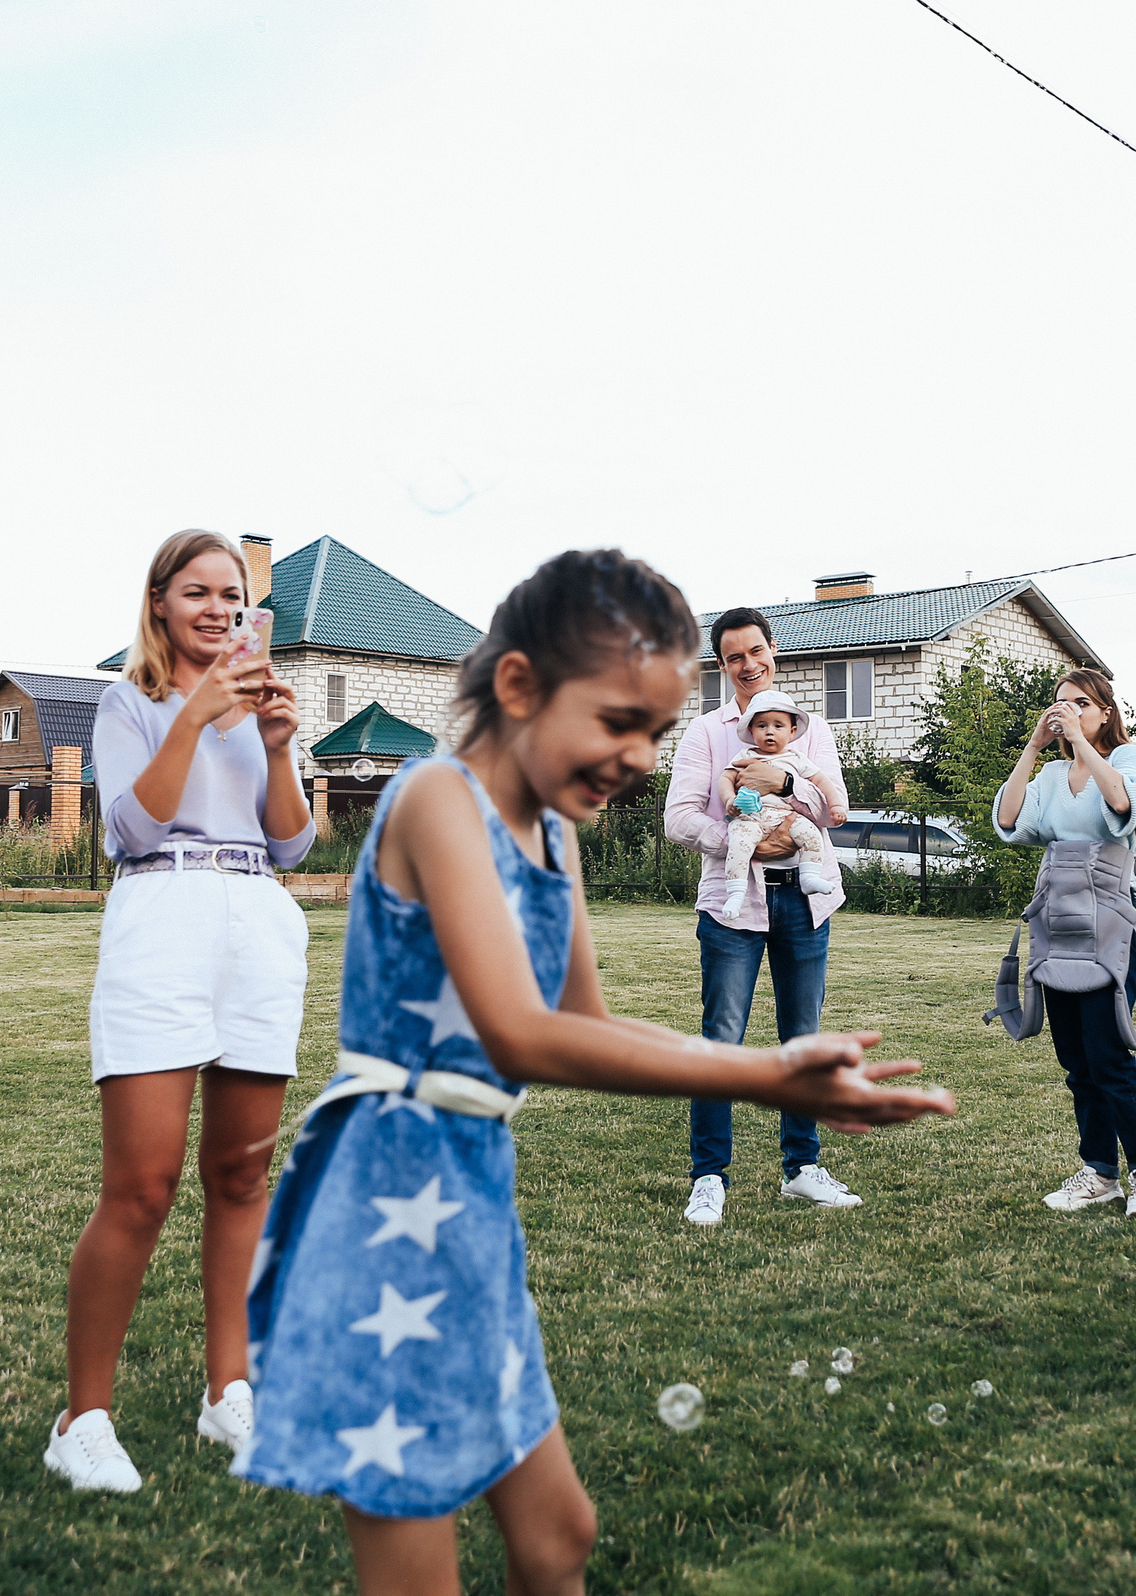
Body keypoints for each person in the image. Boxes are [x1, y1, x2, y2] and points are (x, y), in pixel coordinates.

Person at [233, 548, 951, 1596]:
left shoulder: (553, 837)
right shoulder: (437, 798)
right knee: (415, 1560)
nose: (637, 755)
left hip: (468, 1190)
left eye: (657, 734)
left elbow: (588, 1023)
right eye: (618, 720)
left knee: (557, 1534)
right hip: (388, 1188)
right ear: (519, 685)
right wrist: (758, 1078)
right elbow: (521, 1034)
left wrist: (768, 1061)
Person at [43, 530, 314, 1495]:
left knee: (243, 1175)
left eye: (229, 594)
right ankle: (82, 1416)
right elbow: (131, 826)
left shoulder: (258, 710)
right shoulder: (131, 701)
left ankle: (227, 1392)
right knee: (144, 1185)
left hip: (258, 919)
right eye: (194, 591)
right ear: (158, 602)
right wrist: (194, 718)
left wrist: (278, 749)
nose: (214, 608)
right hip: (163, 912)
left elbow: (290, 846)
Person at [663, 607, 857, 1228]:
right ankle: (709, 1178)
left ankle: (801, 1169)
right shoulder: (706, 734)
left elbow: (832, 813)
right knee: (721, 1038)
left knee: (802, 1036)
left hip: (805, 900)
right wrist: (741, 841)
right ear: (723, 666)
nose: (750, 665)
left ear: (774, 651)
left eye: (757, 651)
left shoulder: (810, 728)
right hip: (732, 903)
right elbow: (680, 818)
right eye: (735, 657)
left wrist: (786, 785)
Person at [992, 667, 1136, 1217]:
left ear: (1105, 713)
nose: (1067, 712)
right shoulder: (1049, 774)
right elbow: (1007, 817)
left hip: (1112, 915)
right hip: (1058, 914)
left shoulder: (1125, 759)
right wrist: (1035, 745)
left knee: (1107, 1050)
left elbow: (1122, 805)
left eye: (1081, 705)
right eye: (1060, 704)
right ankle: (1099, 1171)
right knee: (1074, 1056)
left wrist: (1084, 745)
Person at [718, 692, 844, 919]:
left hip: (786, 815)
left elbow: (822, 781)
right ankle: (736, 893)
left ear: (792, 732)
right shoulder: (745, 754)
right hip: (751, 818)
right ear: (751, 731)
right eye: (762, 726)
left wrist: (836, 806)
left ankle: (809, 876)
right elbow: (726, 778)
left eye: (778, 726)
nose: (769, 731)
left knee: (812, 835)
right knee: (738, 843)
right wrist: (729, 799)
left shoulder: (796, 758)